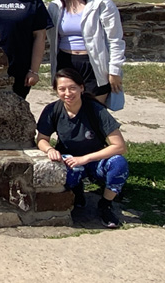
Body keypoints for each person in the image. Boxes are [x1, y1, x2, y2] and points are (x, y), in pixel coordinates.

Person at [36, 68, 129, 228]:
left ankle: (105, 205)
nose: (67, 93)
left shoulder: (96, 110)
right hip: (69, 160)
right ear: (56, 90)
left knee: (119, 164)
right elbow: (41, 139)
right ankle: (75, 191)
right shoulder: (53, 110)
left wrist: (86, 158)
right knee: (62, 172)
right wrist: (49, 149)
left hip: (94, 161)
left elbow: (119, 146)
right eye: (62, 89)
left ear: (81, 87)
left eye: (72, 88)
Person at [47, 0, 125, 104]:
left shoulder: (101, 3)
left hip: (93, 63)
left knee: (95, 111)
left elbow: (115, 39)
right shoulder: (55, 6)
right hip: (66, 62)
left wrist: (114, 70)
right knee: (71, 109)